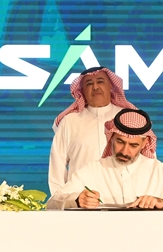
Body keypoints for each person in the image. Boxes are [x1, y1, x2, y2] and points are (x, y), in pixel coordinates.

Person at [47, 108, 163, 210]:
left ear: (144, 143)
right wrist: (76, 200)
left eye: (133, 145)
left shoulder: (161, 171)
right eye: (120, 142)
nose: (125, 151)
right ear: (111, 137)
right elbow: (52, 203)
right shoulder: (92, 171)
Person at [48, 67, 137, 195]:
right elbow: (57, 166)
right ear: (82, 91)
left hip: (125, 199)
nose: (95, 87)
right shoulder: (69, 121)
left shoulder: (129, 117)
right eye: (89, 84)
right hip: (81, 200)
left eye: (100, 81)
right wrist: (61, 201)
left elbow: (148, 161)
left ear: (110, 86)